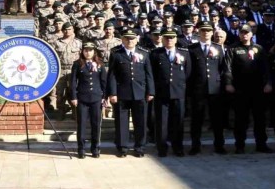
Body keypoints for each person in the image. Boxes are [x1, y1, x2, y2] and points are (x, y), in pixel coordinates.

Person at [106, 28, 154, 158]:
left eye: (132, 38)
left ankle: (140, 147)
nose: (129, 41)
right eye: (127, 38)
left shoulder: (144, 53)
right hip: (122, 93)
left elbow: (149, 74)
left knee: (141, 122)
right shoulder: (116, 53)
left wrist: (151, 91)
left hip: (141, 93)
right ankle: (122, 147)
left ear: (137, 39)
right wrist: (112, 93)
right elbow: (112, 75)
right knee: (121, 122)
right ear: (122, 39)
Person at [225, 24, 272, 154]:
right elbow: (227, 68)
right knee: (240, 119)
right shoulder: (233, 48)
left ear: (251, 34)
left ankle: (261, 144)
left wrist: (268, 83)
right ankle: (239, 145)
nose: (244, 34)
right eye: (242, 32)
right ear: (239, 34)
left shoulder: (259, 49)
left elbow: (265, 68)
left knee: (260, 119)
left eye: (247, 32)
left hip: (258, 89)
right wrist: (228, 83)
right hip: (240, 90)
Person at [187, 21, 229, 155]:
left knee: (217, 119)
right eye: (203, 30)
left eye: (208, 30)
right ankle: (195, 145)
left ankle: (219, 145)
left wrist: (222, 85)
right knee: (197, 119)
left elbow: (223, 68)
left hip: (215, 89)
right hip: (198, 89)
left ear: (212, 32)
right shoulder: (192, 49)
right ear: (198, 32)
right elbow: (189, 70)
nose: (205, 33)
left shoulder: (218, 48)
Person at [150, 28, 191, 157]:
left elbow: (188, 73)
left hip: (178, 92)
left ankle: (177, 147)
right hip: (162, 93)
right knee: (161, 122)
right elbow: (152, 74)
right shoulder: (156, 54)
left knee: (178, 122)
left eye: (172, 37)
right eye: (166, 37)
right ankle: (162, 148)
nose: (169, 40)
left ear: (176, 39)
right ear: (162, 39)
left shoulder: (184, 53)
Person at [70, 42, 107, 158]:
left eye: (90, 50)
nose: (88, 52)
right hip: (82, 98)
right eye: (85, 50)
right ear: (82, 51)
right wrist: (74, 97)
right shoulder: (77, 64)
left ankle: (95, 148)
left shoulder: (100, 64)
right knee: (81, 125)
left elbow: (104, 82)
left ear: (94, 51)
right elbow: (72, 82)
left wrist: (105, 97)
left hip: (96, 98)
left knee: (96, 124)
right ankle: (81, 149)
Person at [52, 23, 82, 119]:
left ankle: (75, 112)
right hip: (61, 70)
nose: (67, 31)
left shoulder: (78, 43)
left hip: (74, 70)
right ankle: (60, 111)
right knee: (59, 92)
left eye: (69, 29)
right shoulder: (57, 43)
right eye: (65, 29)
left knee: (73, 91)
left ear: (73, 29)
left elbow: (82, 57)